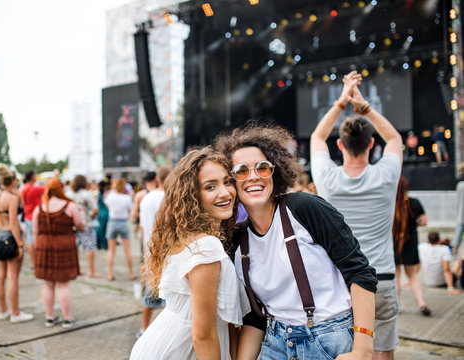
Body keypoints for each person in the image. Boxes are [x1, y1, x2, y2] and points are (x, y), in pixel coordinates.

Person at [215, 123, 377, 360]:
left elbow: (360, 272)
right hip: (276, 342)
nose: (253, 177)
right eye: (241, 171)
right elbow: (256, 317)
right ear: (230, 182)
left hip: (329, 340)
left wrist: (363, 350)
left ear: (275, 171)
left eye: (262, 167)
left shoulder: (304, 208)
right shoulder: (238, 240)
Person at [310, 71, 402, 360]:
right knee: (383, 355)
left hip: (341, 284)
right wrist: (362, 105)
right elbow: (395, 138)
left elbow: (317, 136)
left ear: (340, 145)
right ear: (372, 144)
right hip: (382, 279)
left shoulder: (327, 177)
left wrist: (341, 102)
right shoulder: (387, 175)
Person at [130, 147, 249, 359]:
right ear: (192, 195)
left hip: (164, 343)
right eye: (210, 186)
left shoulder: (187, 237)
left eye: (227, 181)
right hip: (181, 351)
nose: (225, 192)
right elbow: (202, 335)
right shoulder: (205, 247)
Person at [32, 179, 84, 328]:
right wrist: (81, 213)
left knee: (48, 284)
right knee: (63, 284)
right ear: (61, 189)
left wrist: (38, 250)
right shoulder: (70, 206)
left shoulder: (40, 207)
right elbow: (80, 225)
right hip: (64, 245)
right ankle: (67, 319)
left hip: (43, 245)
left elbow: (35, 231)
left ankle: (50, 317)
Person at [0, 164, 34, 323]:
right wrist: (20, 244)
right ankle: (15, 313)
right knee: (13, 277)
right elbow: (14, 223)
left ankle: (3, 311)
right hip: (11, 235)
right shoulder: (12, 198)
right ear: (13, 180)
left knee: (0, 276)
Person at [137, 165, 171, 338]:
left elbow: (143, 229)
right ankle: (167, 334)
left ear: (157, 179)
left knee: (149, 295)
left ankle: (144, 329)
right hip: (168, 253)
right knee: (169, 298)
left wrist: (145, 252)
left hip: (150, 253)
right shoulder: (171, 198)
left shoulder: (146, 198)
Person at [392, 176, 430, 316]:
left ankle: (395, 306)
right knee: (413, 275)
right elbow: (424, 222)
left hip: (393, 243)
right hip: (410, 242)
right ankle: (422, 304)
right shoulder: (414, 203)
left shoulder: (389, 203)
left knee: (396, 276)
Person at [67, 175, 101, 277]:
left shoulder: (69, 194)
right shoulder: (87, 194)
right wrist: (90, 216)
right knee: (90, 247)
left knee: (75, 247)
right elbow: (95, 209)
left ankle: (76, 269)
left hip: (72, 224)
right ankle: (91, 271)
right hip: (86, 224)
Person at [104, 178, 135, 281]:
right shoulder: (126, 198)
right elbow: (130, 209)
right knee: (127, 250)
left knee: (111, 251)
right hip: (123, 222)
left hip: (112, 222)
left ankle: (109, 274)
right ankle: (131, 273)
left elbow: (107, 206)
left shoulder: (110, 197)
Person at [20, 170, 45, 270]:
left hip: (27, 215)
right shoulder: (35, 189)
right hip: (35, 217)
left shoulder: (23, 189)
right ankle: (38, 261)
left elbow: (22, 203)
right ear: (32, 177)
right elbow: (48, 188)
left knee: (30, 239)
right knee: (37, 239)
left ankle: (33, 263)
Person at [131, 172, 157, 242]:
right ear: (156, 180)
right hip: (161, 231)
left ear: (145, 181)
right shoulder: (164, 194)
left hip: (146, 230)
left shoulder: (140, 195)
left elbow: (134, 214)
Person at [96, 179, 111, 250]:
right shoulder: (106, 194)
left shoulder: (98, 194)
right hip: (106, 213)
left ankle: (98, 244)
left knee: (99, 229)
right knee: (105, 230)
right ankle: (105, 245)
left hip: (100, 213)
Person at [452, 169, 464, 256]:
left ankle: (454, 252)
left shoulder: (460, 185)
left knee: (458, 234)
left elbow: (457, 201)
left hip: (460, 214)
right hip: (461, 213)